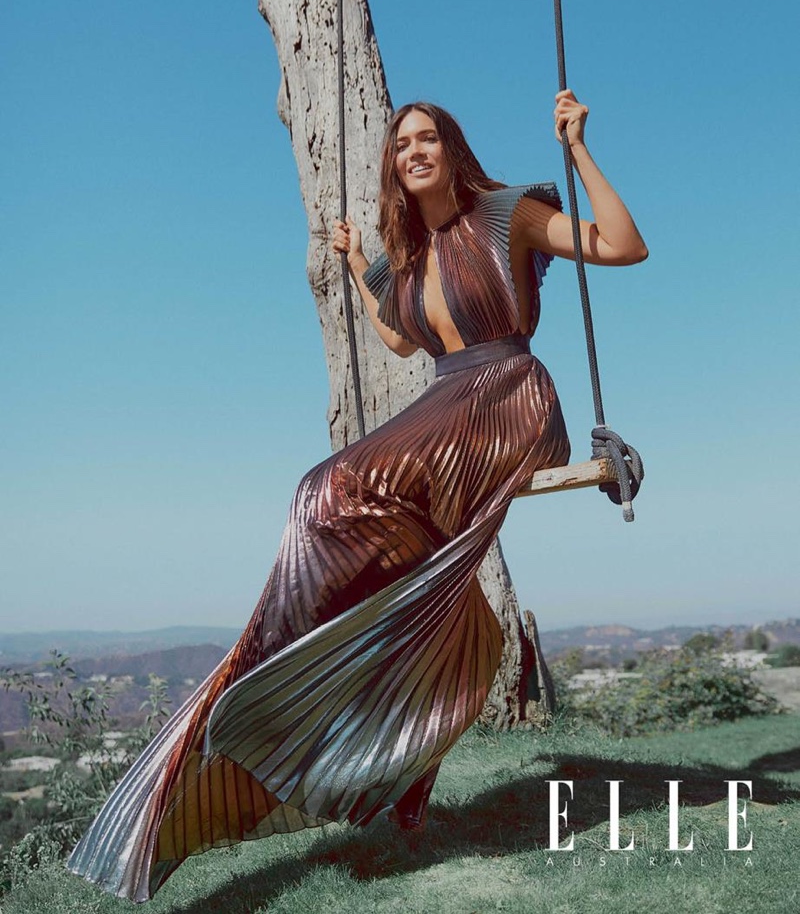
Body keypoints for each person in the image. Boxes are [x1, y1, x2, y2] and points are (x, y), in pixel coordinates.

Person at [67, 90, 646, 902]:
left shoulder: (505, 213)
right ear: (393, 165)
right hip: (447, 400)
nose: (413, 150)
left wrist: (578, 149)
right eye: (401, 142)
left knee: (325, 490)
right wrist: (353, 264)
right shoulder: (409, 255)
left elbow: (624, 246)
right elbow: (400, 335)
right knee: (376, 550)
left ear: (451, 148)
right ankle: (406, 742)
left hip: (507, 393)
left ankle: (265, 680)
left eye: (427, 137)